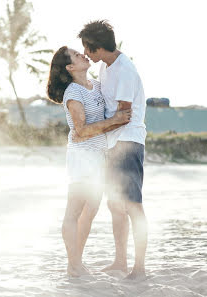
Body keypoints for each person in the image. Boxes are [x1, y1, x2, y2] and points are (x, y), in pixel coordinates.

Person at [47, 46, 131, 277]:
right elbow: (81, 131)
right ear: (70, 67)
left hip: (99, 157)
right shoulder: (74, 92)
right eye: (77, 54)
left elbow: (93, 126)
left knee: (90, 210)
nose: (84, 54)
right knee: (74, 212)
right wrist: (114, 120)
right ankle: (73, 265)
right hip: (83, 158)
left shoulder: (96, 85)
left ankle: (76, 261)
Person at [78, 20, 148, 280]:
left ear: (96, 47)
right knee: (115, 204)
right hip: (112, 143)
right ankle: (120, 261)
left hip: (127, 142)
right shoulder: (107, 67)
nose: (85, 53)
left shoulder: (124, 70)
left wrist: (90, 131)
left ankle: (139, 267)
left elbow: (124, 114)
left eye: (86, 48)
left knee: (132, 206)